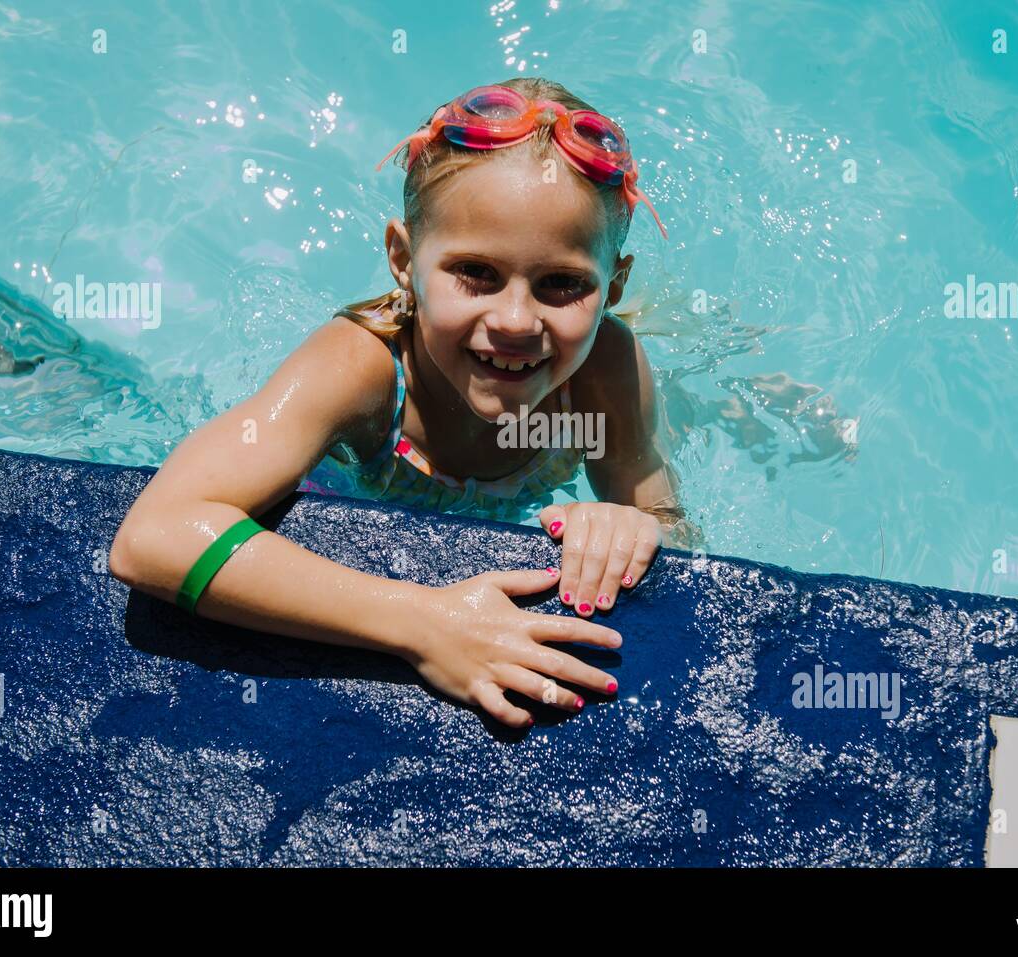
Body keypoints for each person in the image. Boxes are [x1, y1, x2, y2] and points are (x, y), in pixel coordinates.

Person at [110, 78, 700, 728]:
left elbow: (666, 515)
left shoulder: (603, 369)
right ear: (402, 259)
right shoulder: (358, 371)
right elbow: (152, 536)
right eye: (475, 271)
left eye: (563, 284)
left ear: (612, 287)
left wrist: (631, 528)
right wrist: (425, 624)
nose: (513, 319)